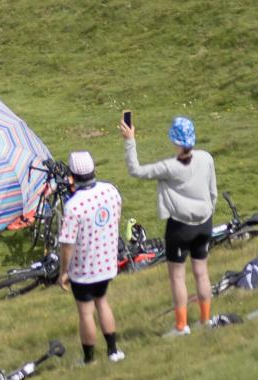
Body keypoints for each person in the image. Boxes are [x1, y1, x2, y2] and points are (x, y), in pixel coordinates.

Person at [124, 114, 218, 335]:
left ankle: (181, 326)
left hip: (180, 227)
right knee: (201, 273)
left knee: (177, 276)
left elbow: (135, 170)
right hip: (204, 223)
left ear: (175, 141)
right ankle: (205, 321)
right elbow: (213, 191)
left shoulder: (169, 167)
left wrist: (130, 139)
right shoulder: (206, 158)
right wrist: (208, 211)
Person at [55, 151, 124, 363]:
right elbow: (117, 218)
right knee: (102, 303)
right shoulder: (110, 191)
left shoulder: (73, 206)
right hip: (106, 263)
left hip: (84, 269)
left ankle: (89, 360)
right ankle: (113, 351)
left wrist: (63, 272)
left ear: (72, 176)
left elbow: (67, 244)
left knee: (86, 313)